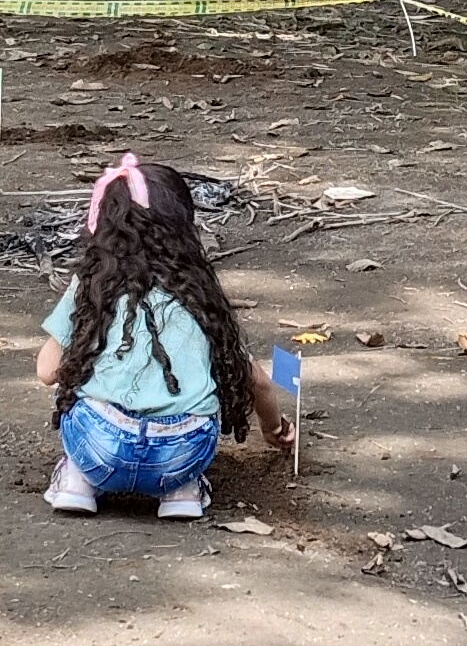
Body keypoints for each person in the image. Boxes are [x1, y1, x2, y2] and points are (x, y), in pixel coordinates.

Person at [35, 154, 294, 517]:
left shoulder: (90, 286)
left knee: (76, 400)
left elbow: (47, 371)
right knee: (184, 448)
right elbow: (259, 383)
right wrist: (273, 427)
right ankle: (182, 490)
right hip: (181, 452)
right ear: (183, 226)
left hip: (99, 447)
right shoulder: (198, 292)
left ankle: (79, 480)